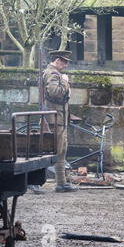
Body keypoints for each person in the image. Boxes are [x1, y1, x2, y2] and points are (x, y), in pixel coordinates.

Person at [43, 50, 78, 193]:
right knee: (51, 151)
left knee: (61, 151)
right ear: (58, 61)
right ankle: (33, 182)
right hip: (54, 120)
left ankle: (61, 183)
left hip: (59, 119)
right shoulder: (53, 74)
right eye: (64, 63)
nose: (65, 66)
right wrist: (65, 81)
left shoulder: (54, 73)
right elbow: (55, 92)